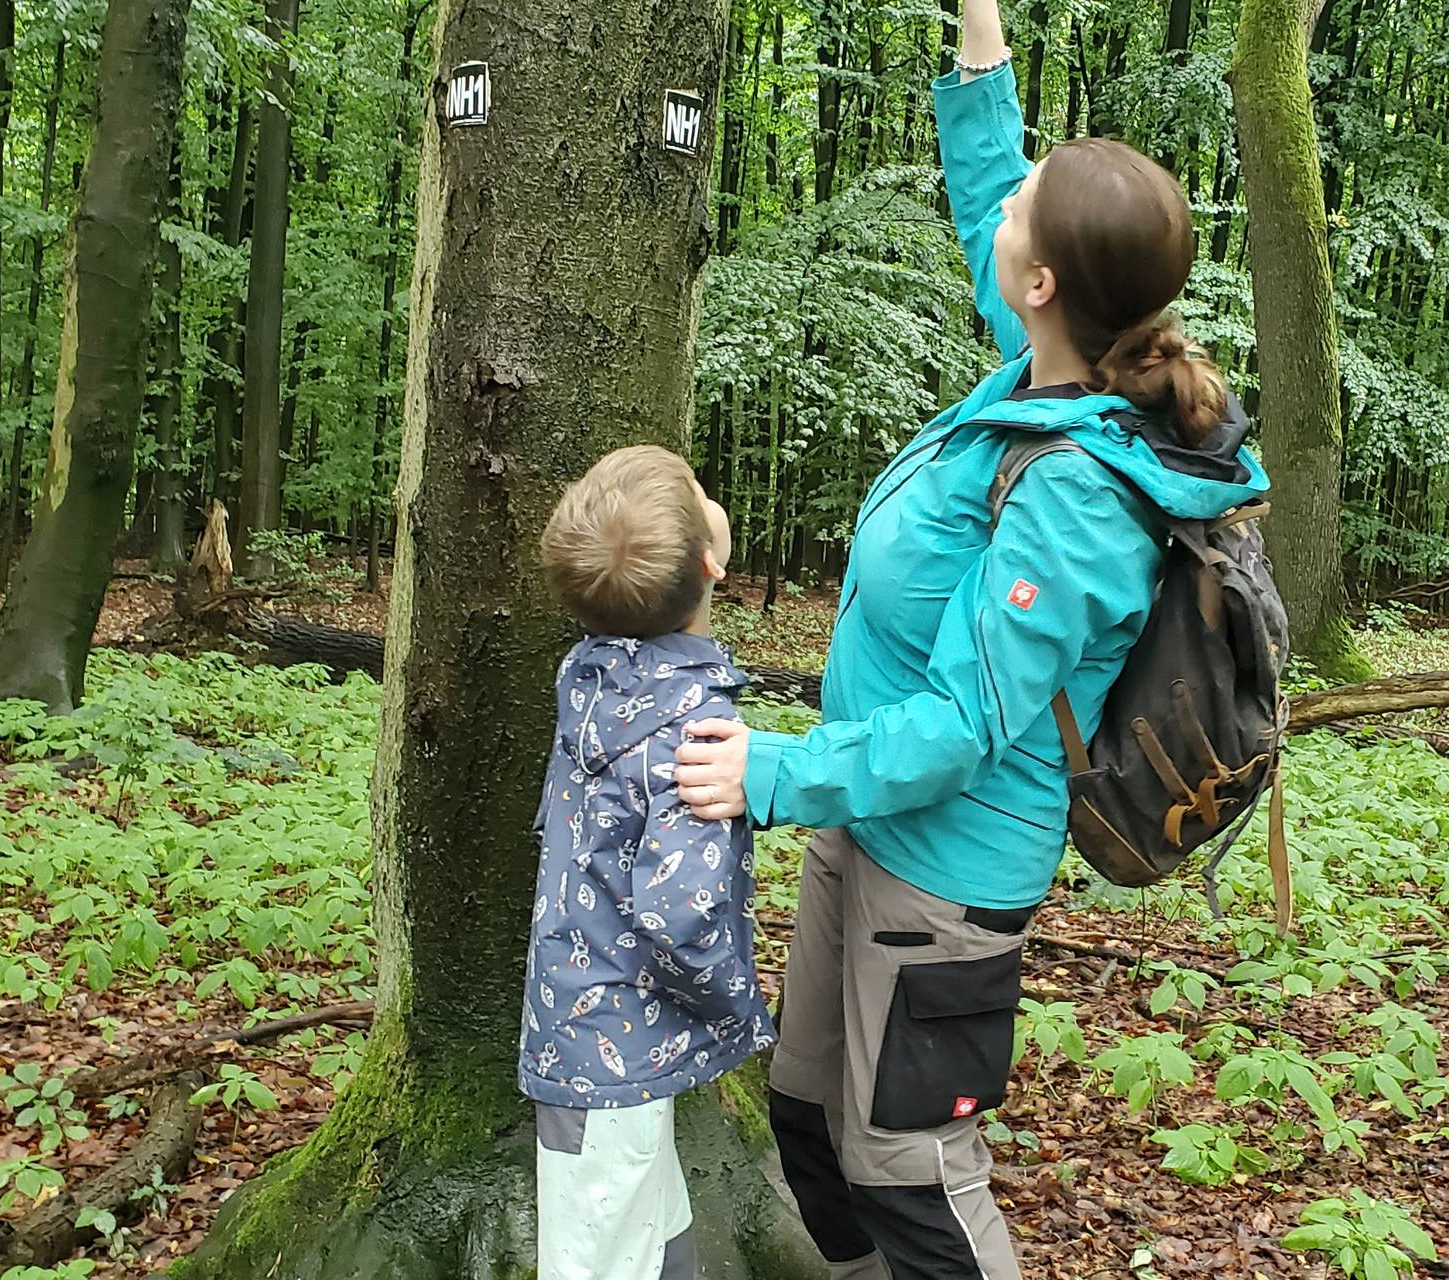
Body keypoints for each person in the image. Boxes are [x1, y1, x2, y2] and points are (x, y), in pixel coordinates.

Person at [668, 0, 1270, 1271]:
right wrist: (980, 35)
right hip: (864, 811)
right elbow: (992, 189)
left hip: (940, 867)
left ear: (1040, 282)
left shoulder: (1074, 493)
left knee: (913, 1168)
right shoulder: (1052, 366)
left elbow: (961, 727)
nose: (1000, 212)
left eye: (1021, 215)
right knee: (802, 1111)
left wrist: (768, 775)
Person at [521, 444, 773, 1280]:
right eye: (702, 492)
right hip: (614, 1055)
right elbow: (682, 912)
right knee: (597, 1253)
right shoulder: (698, 733)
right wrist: (734, 1002)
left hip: (592, 1034)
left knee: (647, 1229)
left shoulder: (588, 676)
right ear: (711, 561)